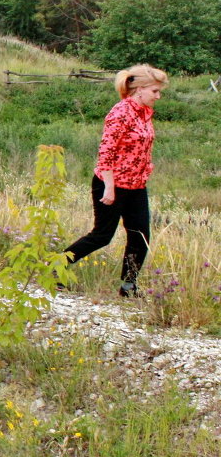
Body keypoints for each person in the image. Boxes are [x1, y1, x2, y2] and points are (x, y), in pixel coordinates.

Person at [65, 64, 167, 298]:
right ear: (139, 89)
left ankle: (128, 287)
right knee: (102, 235)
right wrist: (109, 187)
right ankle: (54, 268)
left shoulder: (144, 113)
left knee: (140, 237)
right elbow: (106, 151)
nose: (158, 96)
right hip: (111, 184)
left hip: (136, 185)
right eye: (155, 91)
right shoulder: (120, 112)